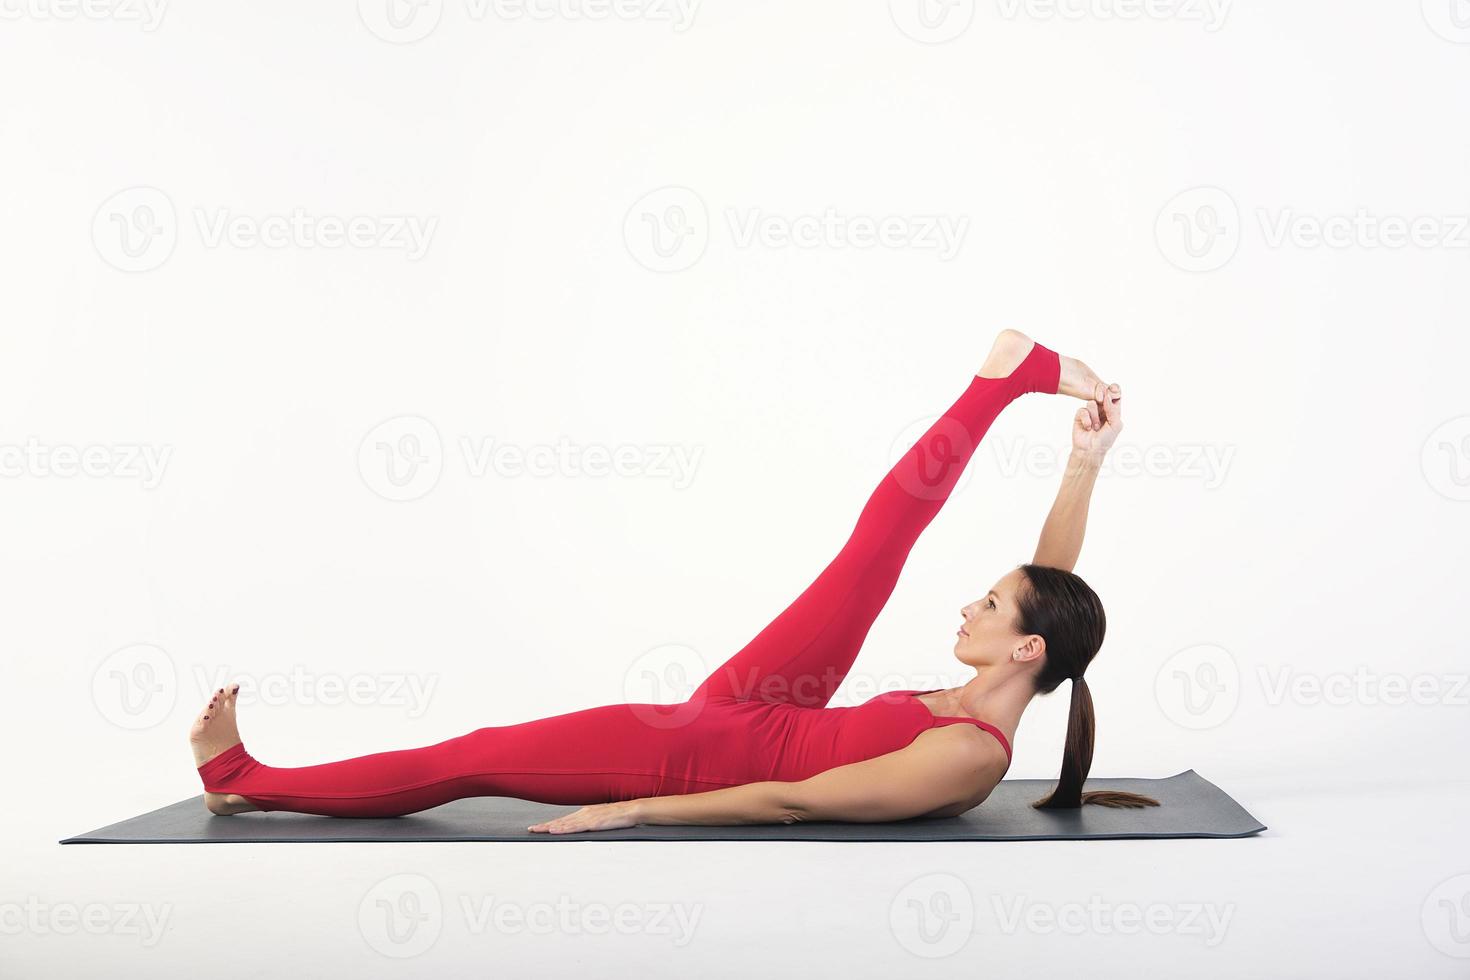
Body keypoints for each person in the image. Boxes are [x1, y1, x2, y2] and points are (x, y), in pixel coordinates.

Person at [189, 329, 1157, 833]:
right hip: (766, 710)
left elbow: (795, 803)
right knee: (872, 555)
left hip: (708, 755)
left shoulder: (972, 754)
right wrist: (1087, 462)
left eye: (988, 605)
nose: (968, 603)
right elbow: (1051, 589)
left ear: (1025, 648)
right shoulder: (1029, 659)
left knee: (477, 754)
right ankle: (1006, 376)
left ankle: (244, 779)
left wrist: (640, 805)